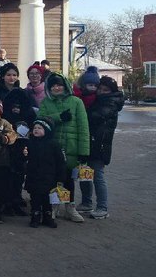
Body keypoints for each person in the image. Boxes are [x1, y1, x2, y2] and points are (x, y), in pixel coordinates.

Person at [37, 72, 89, 223]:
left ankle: (70, 208)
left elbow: (83, 128)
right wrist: (58, 117)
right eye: (53, 85)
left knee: (68, 180)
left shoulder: (76, 102)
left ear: (65, 86)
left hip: (70, 148)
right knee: (53, 179)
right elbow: (40, 120)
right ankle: (54, 206)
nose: (56, 88)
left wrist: (83, 151)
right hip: (51, 149)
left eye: (59, 85)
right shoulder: (46, 102)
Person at [79, 75, 124, 219]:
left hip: (100, 145)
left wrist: (81, 111)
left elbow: (94, 116)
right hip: (89, 142)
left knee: (97, 176)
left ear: (110, 91)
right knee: (84, 173)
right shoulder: (96, 100)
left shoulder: (110, 103)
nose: (101, 92)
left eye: (105, 90)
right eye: (100, 88)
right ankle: (86, 202)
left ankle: (102, 207)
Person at [24, 117, 64, 229]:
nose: (36, 130)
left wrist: (61, 177)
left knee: (48, 200)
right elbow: (26, 158)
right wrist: (25, 154)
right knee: (35, 199)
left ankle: (48, 218)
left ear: (47, 130)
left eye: (40, 128)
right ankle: (35, 217)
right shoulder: (30, 142)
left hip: (49, 177)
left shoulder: (54, 144)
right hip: (34, 176)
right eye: (35, 128)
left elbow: (60, 162)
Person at [2, 87, 36, 216]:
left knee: (19, 177)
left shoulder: (29, 113)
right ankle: (7, 203)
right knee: (7, 177)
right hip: (8, 148)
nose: (16, 106)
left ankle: (16, 201)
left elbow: (32, 129)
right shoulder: (5, 114)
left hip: (22, 148)